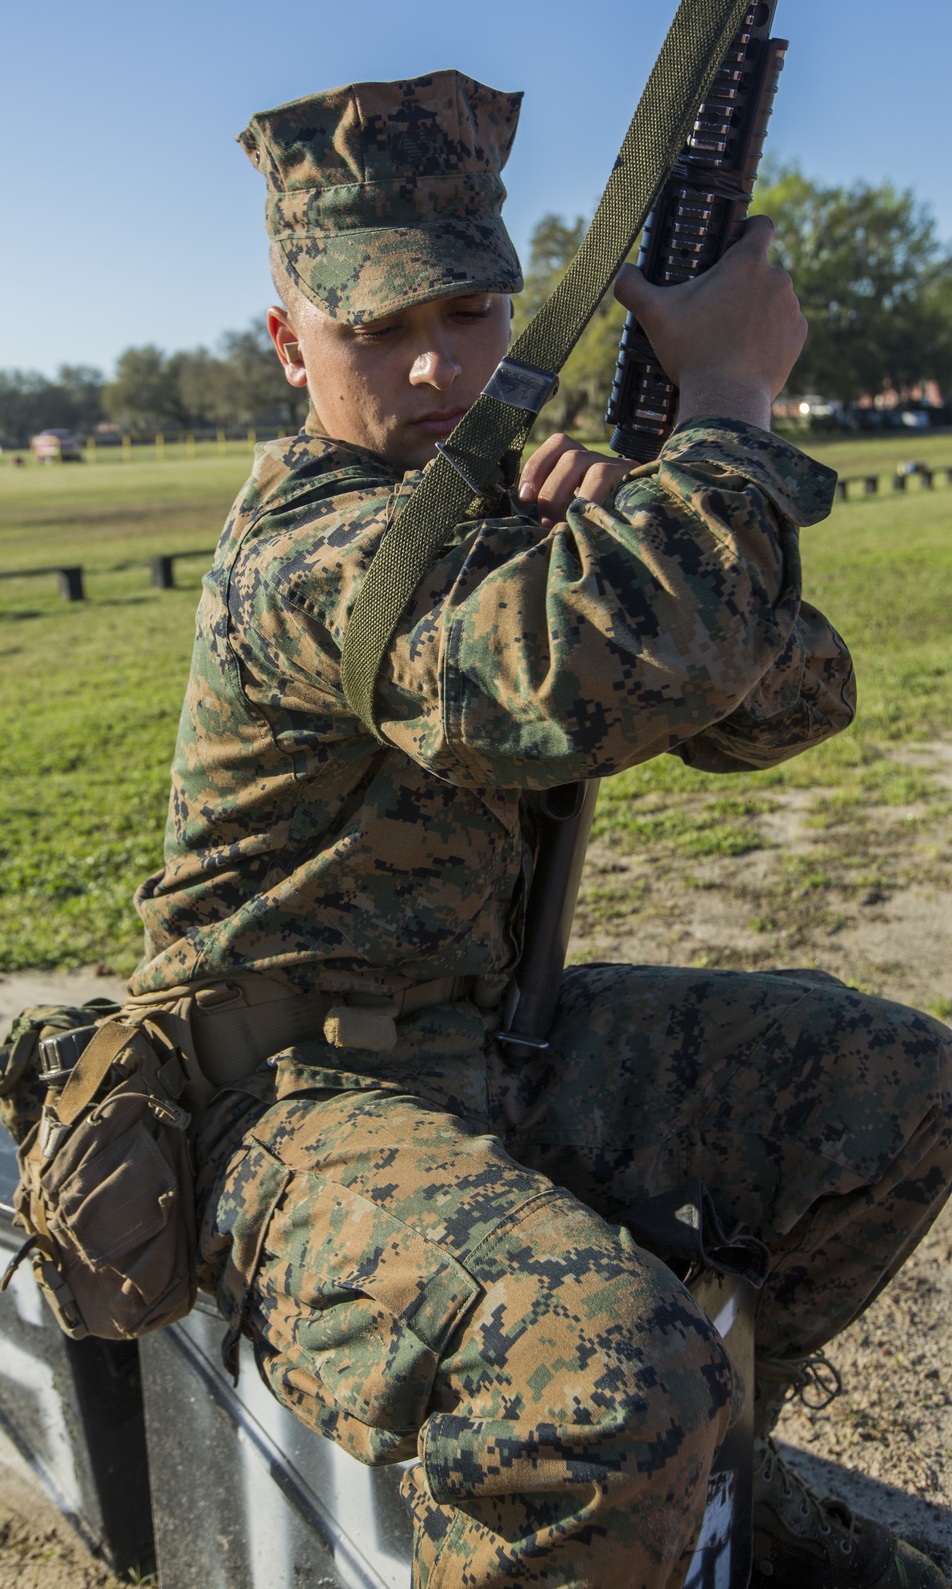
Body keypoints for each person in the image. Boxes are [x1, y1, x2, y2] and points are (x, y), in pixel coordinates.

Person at [127, 72, 952, 1589]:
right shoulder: (314, 543)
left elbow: (795, 700)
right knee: (606, 1378)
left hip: (491, 1043)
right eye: (378, 327)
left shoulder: (501, 515)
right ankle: (636, 1461)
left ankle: (700, 1497)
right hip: (282, 1100)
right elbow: (547, 668)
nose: (438, 364)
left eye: (473, 312)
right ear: (286, 341)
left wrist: (645, 508)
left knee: (893, 1088)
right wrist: (725, 415)